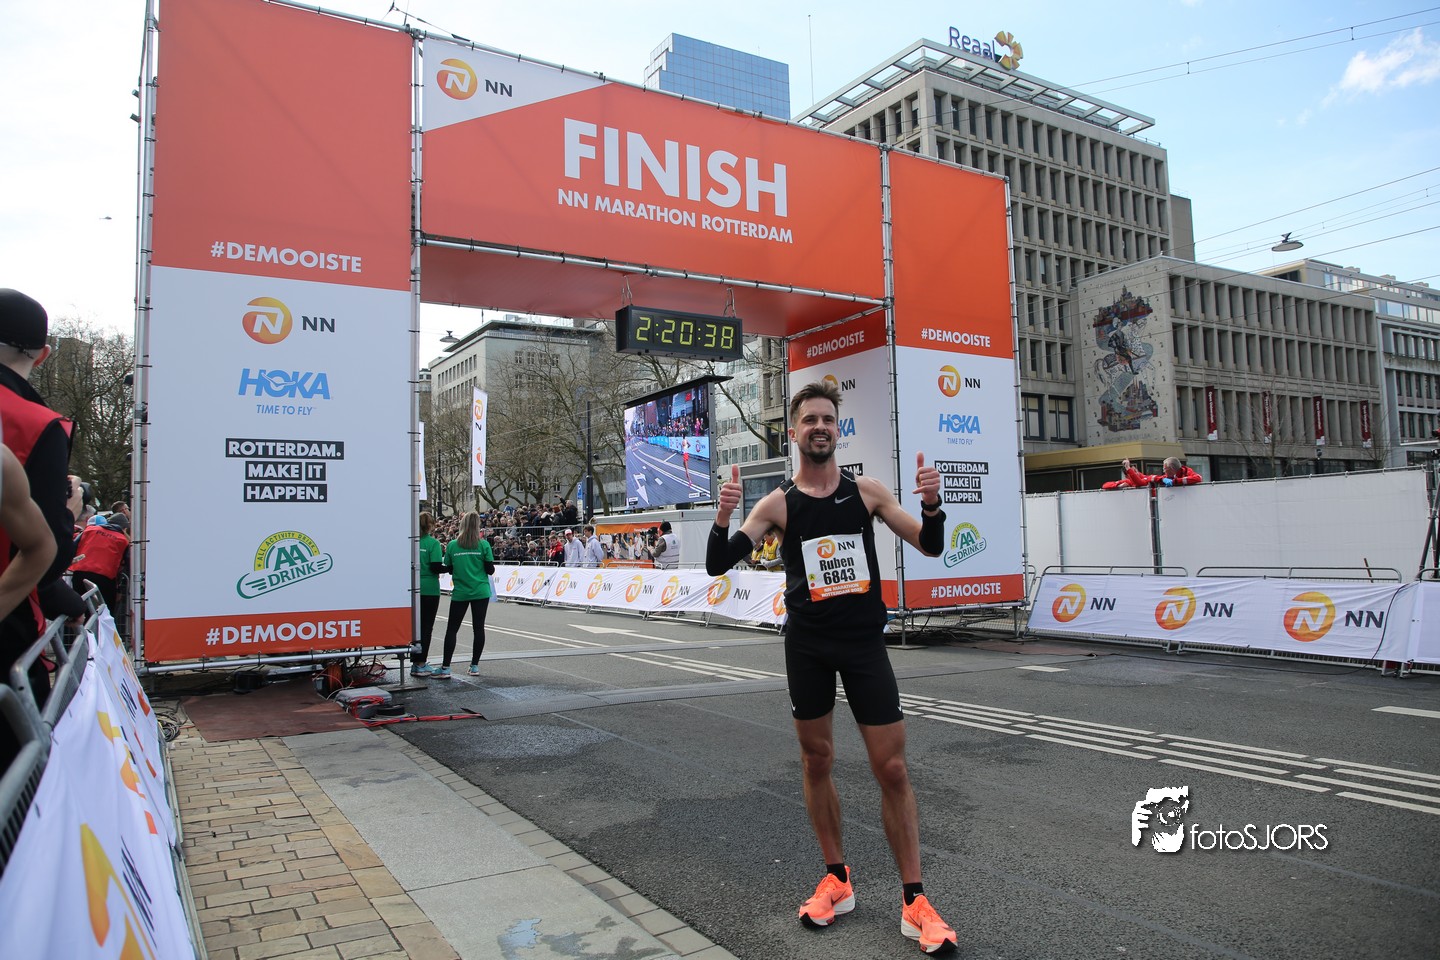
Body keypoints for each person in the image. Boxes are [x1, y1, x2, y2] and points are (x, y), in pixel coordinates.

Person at [706, 379, 957, 955]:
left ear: (837, 430)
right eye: (809, 420)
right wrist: (723, 516)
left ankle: (915, 900)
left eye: (828, 419)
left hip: (863, 644)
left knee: (891, 767)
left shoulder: (866, 493)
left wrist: (932, 504)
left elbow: (930, 545)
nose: (819, 427)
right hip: (808, 647)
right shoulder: (776, 505)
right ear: (793, 432)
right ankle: (837, 880)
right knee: (817, 760)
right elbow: (719, 562)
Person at [0, 289, 83, 702]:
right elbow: (45, 556)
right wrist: (68, 513)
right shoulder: (39, 424)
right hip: (10, 635)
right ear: (42, 354)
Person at [430, 511, 494, 678]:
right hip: (480, 590)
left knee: (452, 629)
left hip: (461, 591)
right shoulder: (483, 545)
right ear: (477, 526)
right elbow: (490, 570)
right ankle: (474, 666)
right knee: (478, 628)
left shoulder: (452, 545)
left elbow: (449, 567)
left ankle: (445, 667)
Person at [70, 511, 130, 612]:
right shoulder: (123, 540)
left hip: (80, 573)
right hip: (105, 577)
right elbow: (126, 565)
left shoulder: (90, 530)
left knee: (80, 607)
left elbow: (72, 547)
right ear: (124, 529)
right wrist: (119, 589)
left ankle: (80, 621)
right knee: (105, 610)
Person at [410, 512, 445, 676]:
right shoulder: (433, 543)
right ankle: (421, 663)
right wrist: (451, 568)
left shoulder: (411, 541)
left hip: (413, 586)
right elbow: (436, 567)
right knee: (426, 627)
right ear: (430, 526)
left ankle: (414, 661)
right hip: (429, 588)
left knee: (415, 627)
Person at [1121, 457, 1202, 488]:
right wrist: (1129, 469)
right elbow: (1143, 481)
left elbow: (1198, 478)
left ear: (1172, 468)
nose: (1163, 471)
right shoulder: (1166, 478)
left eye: (1165, 469)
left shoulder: (1186, 471)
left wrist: (1175, 482)